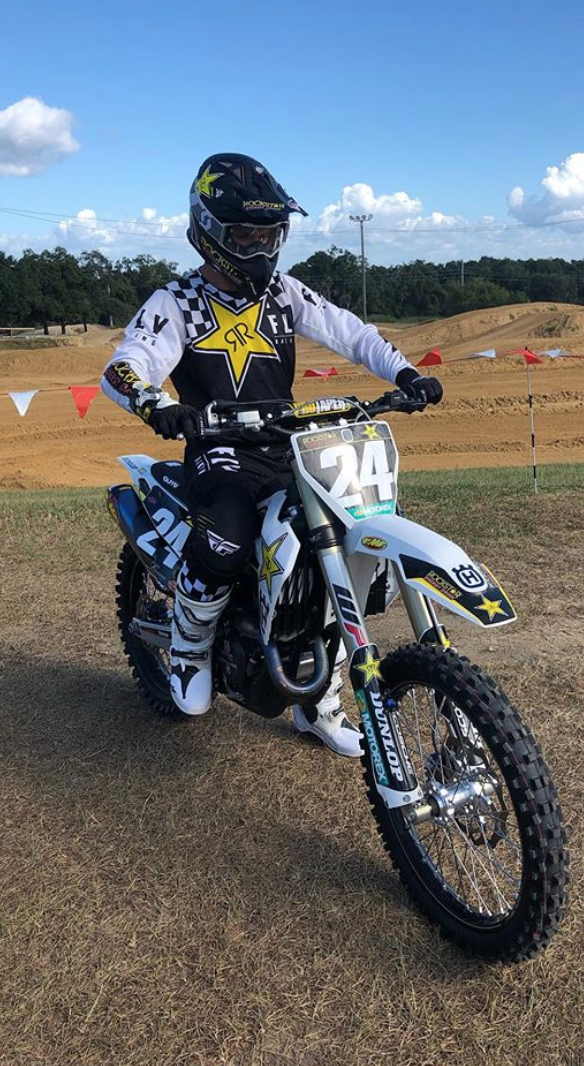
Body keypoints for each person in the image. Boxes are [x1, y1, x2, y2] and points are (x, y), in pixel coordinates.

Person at [101, 153, 443, 756]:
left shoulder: (286, 293)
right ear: (208, 230)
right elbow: (125, 366)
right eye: (244, 235)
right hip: (216, 449)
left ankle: (319, 700)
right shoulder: (176, 300)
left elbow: (351, 331)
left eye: (269, 234)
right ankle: (186, 648)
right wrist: (156, 404)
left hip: (291, 444)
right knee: (227, 540)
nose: (260, 247)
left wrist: (406, 372)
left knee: (337, 552)